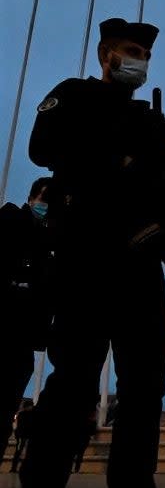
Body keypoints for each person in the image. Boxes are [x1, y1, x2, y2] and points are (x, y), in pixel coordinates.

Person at [20, 17, 165, 488]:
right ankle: (43, 479)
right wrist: (120, 158)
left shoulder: (149, 121)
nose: (138, 61)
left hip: (140, 269)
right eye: (130, 50)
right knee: (75, 381)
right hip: (88, 259)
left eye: (145, 54)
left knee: (144, 390)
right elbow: (43, 151)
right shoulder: (75, 96)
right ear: (106, 55)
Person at [0, 177, 54, 445]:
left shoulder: (50, 240)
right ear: (32, 198)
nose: (46, 208)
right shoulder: (10, 220)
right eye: (45, 200)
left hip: (24, 335)